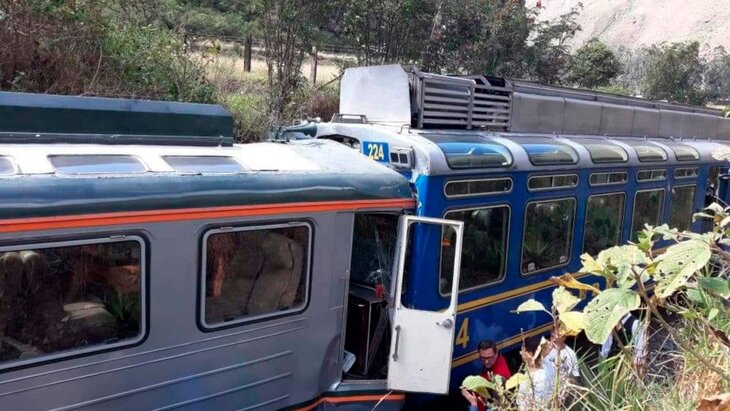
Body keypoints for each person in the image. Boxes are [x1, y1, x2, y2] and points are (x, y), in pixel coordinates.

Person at [515, 336, 553, 411]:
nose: (520, 353)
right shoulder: (548, 365)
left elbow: (523, 407)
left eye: (522, 350)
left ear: (530, 354)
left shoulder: (527, 380)